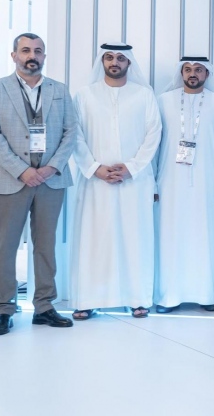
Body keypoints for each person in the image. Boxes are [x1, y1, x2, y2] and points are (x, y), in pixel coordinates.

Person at [0, 33, 78, 336]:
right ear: (14, 56)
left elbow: (71, 132)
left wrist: (51, 167)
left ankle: (45, 306)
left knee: (46, 246)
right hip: (9, 178)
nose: (31, 56)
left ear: (44, 56)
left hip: (51, 180)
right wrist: (22, 170)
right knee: (5, 246)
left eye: (37, 51)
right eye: (25, 50)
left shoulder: (60, 90)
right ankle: (4, 309)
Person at [70, 43, 162, 320]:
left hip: (134, 181)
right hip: (95, 182)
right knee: (94, 240)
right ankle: (88, 299)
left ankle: (138, 299)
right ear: (102, 61)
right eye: (109, 57)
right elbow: (75, 135)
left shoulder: (144, 95)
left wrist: (131, 167)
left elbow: (154, 134)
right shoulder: (84, 95)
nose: (115, 62)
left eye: (121, 58)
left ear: (129, 63)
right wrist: (95, 168)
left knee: (135, 239)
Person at [154, 57, 214, 313]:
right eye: (187, 69)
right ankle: (168, 296)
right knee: (170, 238)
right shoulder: (163, 102)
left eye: (198, 70)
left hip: (206, 184)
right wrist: (152, 183)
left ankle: (207, 295)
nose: (192, 74)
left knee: (204, 238)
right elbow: (154, 145)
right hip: (169, 183)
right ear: (181, 73)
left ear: (207, 74)